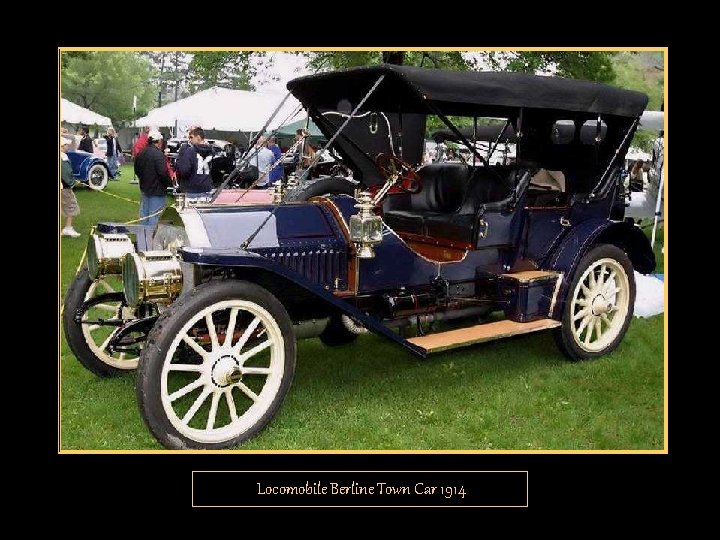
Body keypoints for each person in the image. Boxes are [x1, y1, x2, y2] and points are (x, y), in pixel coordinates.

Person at [134, 130, 172, 226]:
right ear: (159, 142)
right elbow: (163, 173)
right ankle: (152, 239)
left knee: (144, 215)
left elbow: (137, 169)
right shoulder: (159, 155)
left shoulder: (141, 153)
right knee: (155, 217)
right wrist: (168, 184)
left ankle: (143, 238)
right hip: (157, 191)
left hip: (144, 188)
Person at [176, 126, 214, 199]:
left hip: (191, 189)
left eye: (191, 137)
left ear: (198, 137)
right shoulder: (211, 151)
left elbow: (184, 171)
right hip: (206, 188)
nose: (190, 140)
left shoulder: (190, 151)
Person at [60, 136, 81, 237]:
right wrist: (72, 183)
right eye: (66, 145)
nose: (68, 146)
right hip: (64, 187)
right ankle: (68, 228)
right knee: (71, 206)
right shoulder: (63, 157)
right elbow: (66, 172)